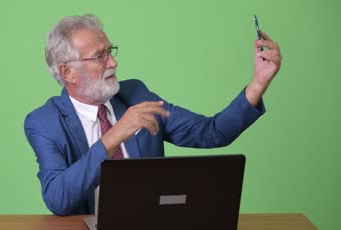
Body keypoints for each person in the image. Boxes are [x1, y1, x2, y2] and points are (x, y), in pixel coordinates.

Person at [24, 14, 282, 216]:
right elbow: (57, 199)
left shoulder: (136, 95)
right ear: (67, 72)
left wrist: (258, 83)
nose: (113, 63)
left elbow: (211, 132)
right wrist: (114, 135)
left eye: (110, 51)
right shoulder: (44, 123)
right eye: (99, 56)